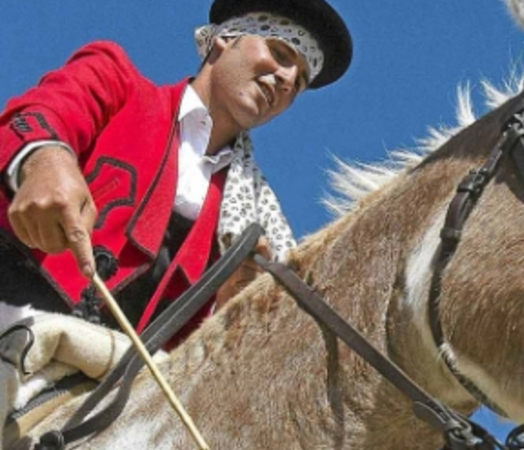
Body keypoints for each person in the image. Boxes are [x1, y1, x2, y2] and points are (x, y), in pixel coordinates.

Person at [0, 0, 352, 336]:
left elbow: (191, 347)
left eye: (299, 82)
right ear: (225, 38)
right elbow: (37, 117)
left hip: (114, 371)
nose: (287, 79)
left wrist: (227, 308)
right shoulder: (115, 78)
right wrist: (45, 162)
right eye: (280, 53)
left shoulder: (249, 216)